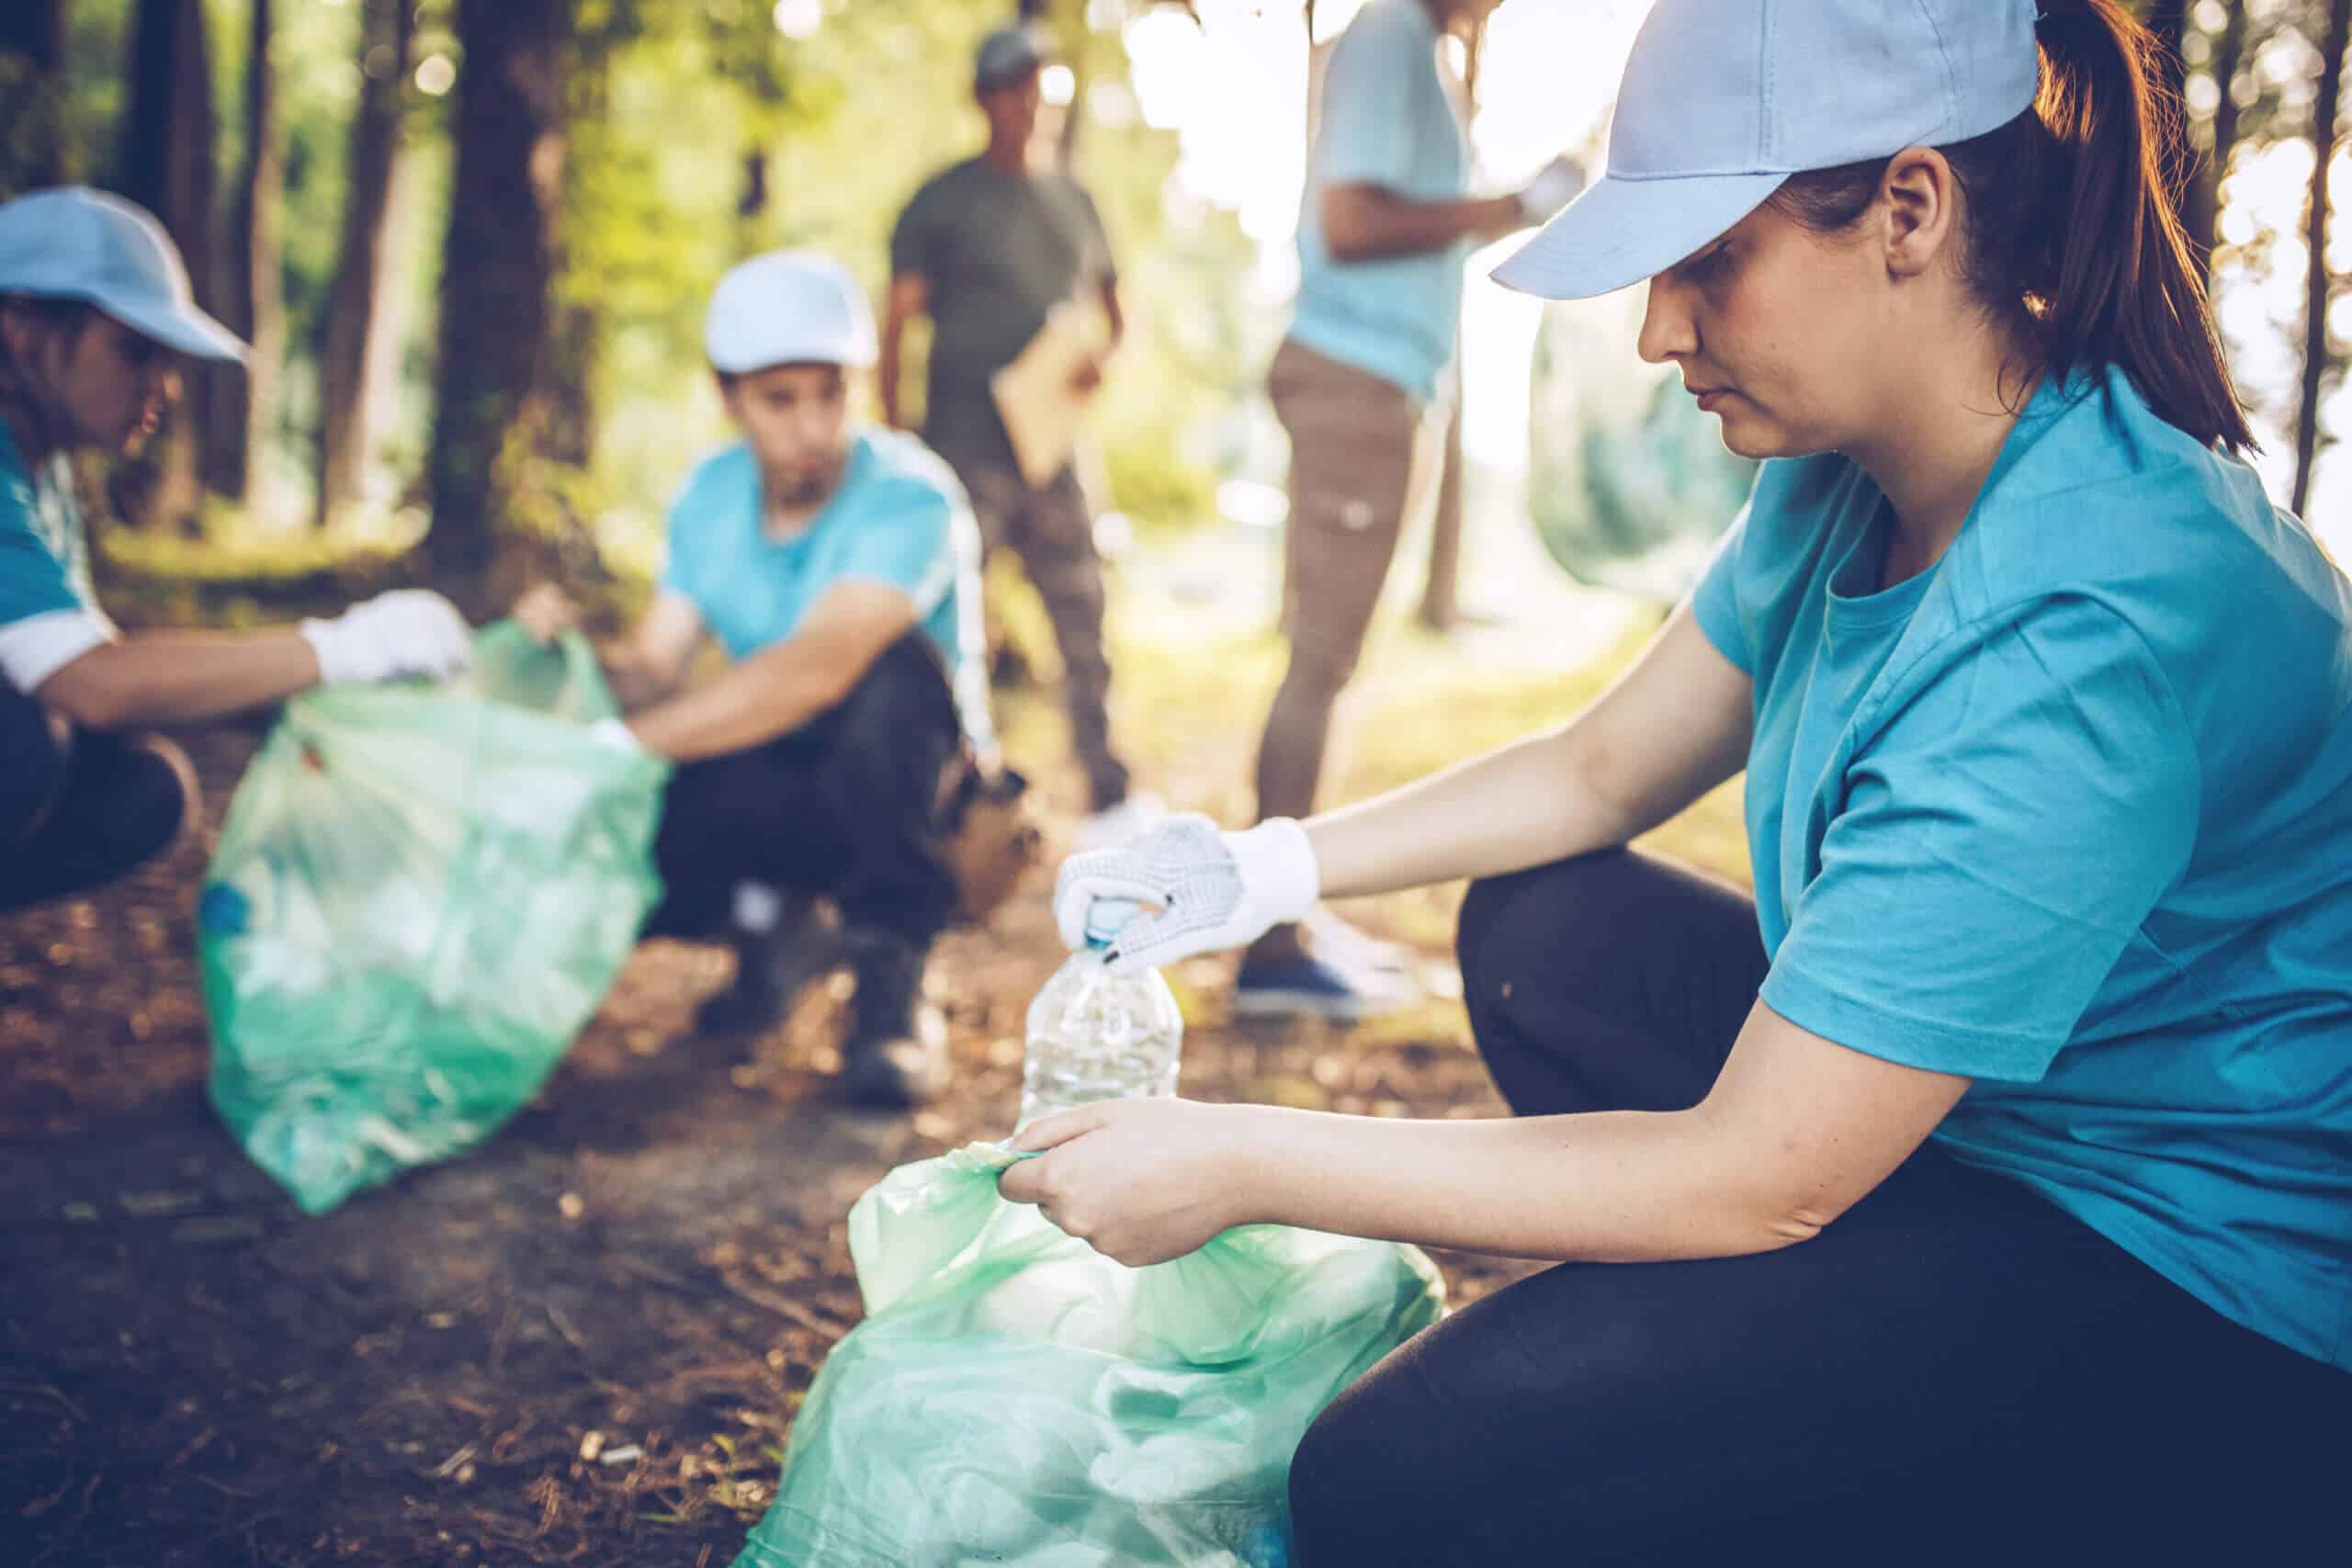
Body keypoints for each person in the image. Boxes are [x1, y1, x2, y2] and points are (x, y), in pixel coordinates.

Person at [1011, 2, 2352, 1561]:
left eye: (1708, 258)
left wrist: (1239, 1158)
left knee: (1395, 1485)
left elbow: (1752, 1173)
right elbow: (1593, 770)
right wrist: (1260, 870)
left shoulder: (2088, 619)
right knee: (1546, 932)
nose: (1658, 330)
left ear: (1909, 209)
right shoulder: (1846, 464)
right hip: (1964, 1135)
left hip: (2187, 1280)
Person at [516, 251, 1023, 1111]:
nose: (813, 425)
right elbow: (651, 668)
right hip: (792, 773)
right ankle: (769, 933)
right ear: (731, 400)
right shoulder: (709, 496)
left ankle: (890, 988)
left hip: (926, 798)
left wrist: (618, 746)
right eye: (779, 400)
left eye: (832, 392)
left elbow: (819, 670)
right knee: (669, 785)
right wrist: (560, 657)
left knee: (888, 677)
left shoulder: (912, 496)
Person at [1241, 0, 1579, 1019]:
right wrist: (1510, 206)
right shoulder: (1390, 33)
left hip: (1380, 383)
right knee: (1318, 664)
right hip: (1355, 378)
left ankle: (1287, 913)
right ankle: (1267, 945)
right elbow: (1351, 222)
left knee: (1332, 665)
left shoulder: (1415, 47)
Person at [1, 186, 471, 914]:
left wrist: (312, 703)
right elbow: (92, 686)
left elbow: (102, 660)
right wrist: (345, 647)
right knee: (24, 741)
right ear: (20, 325)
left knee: (140, 789)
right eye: (135, 351)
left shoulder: (43, 469)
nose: (164, 389)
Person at [880, 24, 1154, 851]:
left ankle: (1107, 792)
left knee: (1084, 611)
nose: (1026, 102)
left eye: (1039, 85)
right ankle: (934, 792)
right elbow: (896, 327)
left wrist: (1101, 360)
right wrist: (896, 444)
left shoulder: (1073, 201)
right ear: (983, 96)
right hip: (961, 446)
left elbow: (1115, 312)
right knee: (946, 622)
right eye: (1010, 86)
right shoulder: (942, 202)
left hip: (1053, 449)